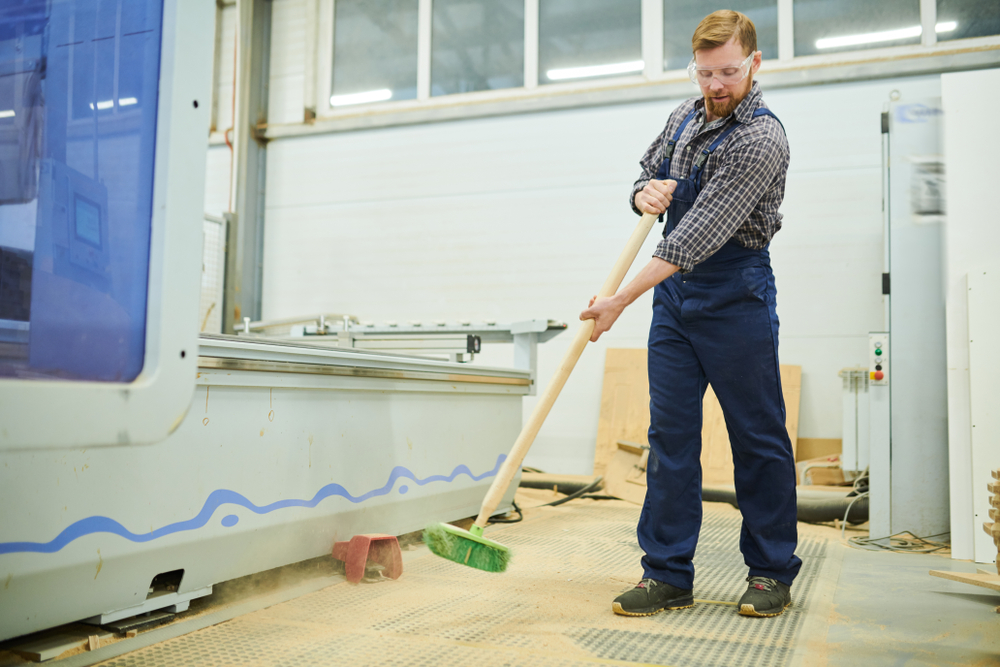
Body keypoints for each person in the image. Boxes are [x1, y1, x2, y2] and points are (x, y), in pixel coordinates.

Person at [580, 10, 801, 618]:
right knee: (670, 437)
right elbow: (647, 175)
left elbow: (691, 240)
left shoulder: (761, 137)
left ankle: (770, 572)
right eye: (704, 73)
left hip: (736, 294)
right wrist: (641, 193)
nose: (714, 86)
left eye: (728, 72)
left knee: (756, 437)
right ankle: (667, 573)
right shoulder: (683, 115)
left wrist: (621, 298)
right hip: (676, 302)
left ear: (754, 64)